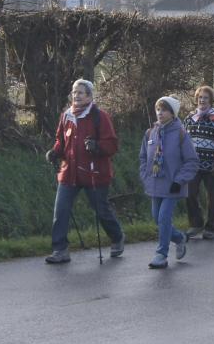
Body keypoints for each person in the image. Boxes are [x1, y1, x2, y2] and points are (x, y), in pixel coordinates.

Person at [44, 79, 126, 264]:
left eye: (81, 93)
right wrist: (55, 152)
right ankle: (60, 250)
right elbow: (61, 141)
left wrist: (97, 146)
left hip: (94, 173)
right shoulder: (66, 116)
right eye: (74, 92)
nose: (76, 96)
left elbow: (112, 145)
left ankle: (117, 237)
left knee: (101, 210)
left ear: (89, 96)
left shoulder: (99, 116)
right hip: (69, 172)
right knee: (61, 210)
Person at [138, 96, 200, 268]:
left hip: (173, 186)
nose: (160, 113)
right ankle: (179, 238)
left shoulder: (181, 134)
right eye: (158, 109)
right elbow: (143, 157)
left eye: (164, 110)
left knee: (164, 217)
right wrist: (145, 176)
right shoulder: (150, 133)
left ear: (173, 113)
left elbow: (192, 161)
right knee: (157, 219)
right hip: (154, 184)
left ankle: (161, 254)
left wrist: (179, 180)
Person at [183, 86, 214, 240]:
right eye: (200, 97)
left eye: (205, 98)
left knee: (213, 198)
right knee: (189, 193)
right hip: (193, 165)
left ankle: (211, 228)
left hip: (213, 165)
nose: (202, 100)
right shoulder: (190, 118)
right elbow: (183, 140)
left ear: (211, 100)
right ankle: (196, 223)